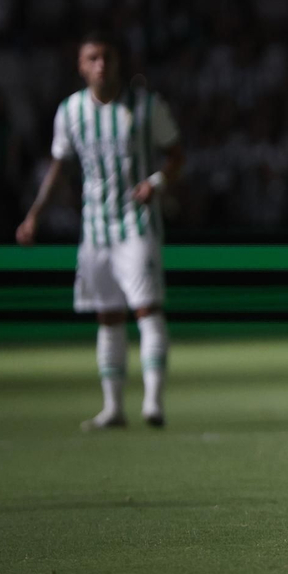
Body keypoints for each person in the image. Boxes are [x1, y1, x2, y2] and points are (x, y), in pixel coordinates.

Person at [17, 35, 185, 431]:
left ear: (119, 61)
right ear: (80, 66)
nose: (101, 64)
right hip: (95, 228)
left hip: (137, 223)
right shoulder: (71, 111)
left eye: (107, 56)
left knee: (147, 308)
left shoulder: (147, 105)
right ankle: (113, 408)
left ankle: (153, 403)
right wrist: (35, 215)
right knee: (108, 316)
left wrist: (157, 182)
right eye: (92, 58)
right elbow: (59, 168)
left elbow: (176, 154)